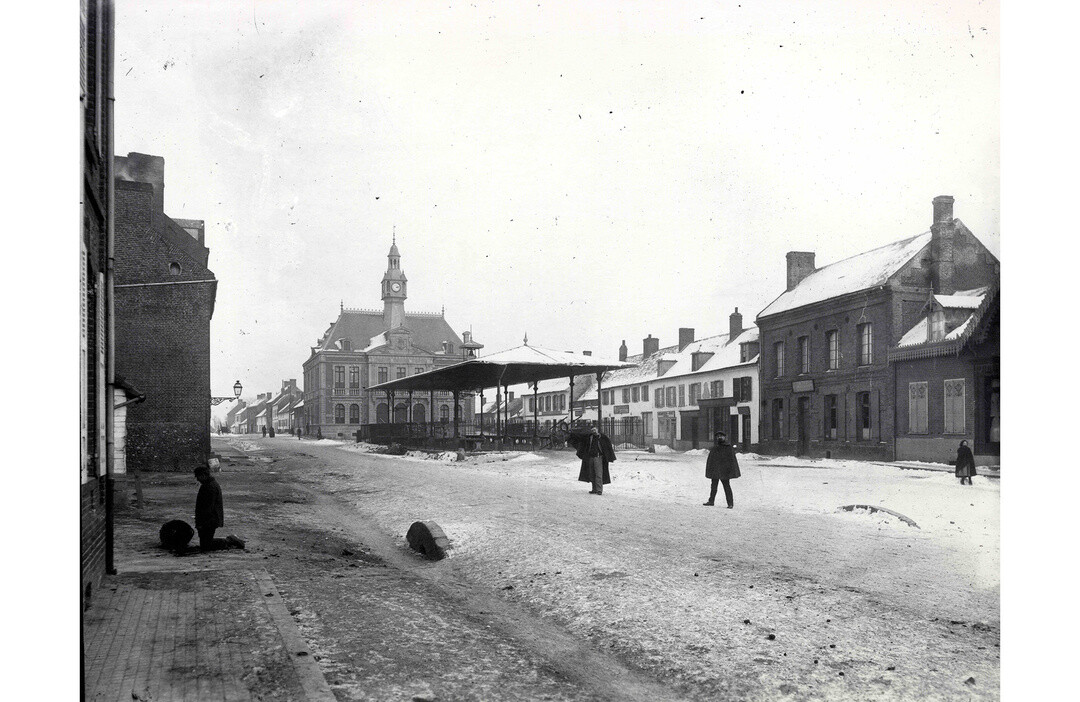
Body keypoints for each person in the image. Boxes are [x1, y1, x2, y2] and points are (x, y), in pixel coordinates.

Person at [194, 465, 244, 551]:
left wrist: (201, 523)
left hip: (209, 520)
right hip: (210, 519)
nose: (197, 479)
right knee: (205, 544)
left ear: (203, 475)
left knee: (206, 545)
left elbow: (207, 508)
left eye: (198, 476)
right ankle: (229, 541)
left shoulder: (209, 487)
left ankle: (229, 541)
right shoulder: (209, 484)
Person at [570, 423, 616, 495]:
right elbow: (579, 438)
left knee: (598, 474)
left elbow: (608, 446)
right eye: (592, 430)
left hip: (598, 457)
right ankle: (594, 489)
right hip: (590, 458)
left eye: (594, 429)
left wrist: (610, 457)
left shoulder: (602, 437)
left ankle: (599, 490)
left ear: (597, 429)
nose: (593, 431)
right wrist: (572, 432)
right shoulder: (589, 437)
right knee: (591, 474)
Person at [704, 430, 741, 508]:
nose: (719, 437)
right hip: (715, 471)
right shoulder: (715, 448)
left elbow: (732, 461)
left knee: (727, 487)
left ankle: (730, 503)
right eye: (718, 436)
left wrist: (729, 470)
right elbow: (711, 460)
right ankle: (711, 501)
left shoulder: (728, 448)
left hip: (724, 471)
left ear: (724, 437)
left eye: (721, 436)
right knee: (713, 486)